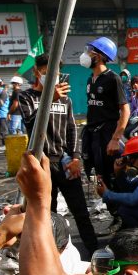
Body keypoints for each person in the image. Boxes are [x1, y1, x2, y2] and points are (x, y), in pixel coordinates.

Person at [16, 53, 99, 260]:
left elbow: (72, 129)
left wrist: (76, 158)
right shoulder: (26, 97)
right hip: (41, 164)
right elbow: (30, 124)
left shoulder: (66, 100)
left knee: (81, 211)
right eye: (46, 72)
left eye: (56, 73)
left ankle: (96, 252)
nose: (52, 76)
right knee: (47, 213)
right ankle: (50, 257)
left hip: (65, 162)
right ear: (36, 72)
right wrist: (50, 98)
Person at [81, 37, 129, 185]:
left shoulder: (113, 78)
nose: (86, 54)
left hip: (108, 134)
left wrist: (115, 139)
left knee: (114, 176)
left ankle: (118, 205)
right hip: (92, 134)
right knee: (98, 175)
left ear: (99, 56)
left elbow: (125, 110)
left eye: (90, 52)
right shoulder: (90, 80)